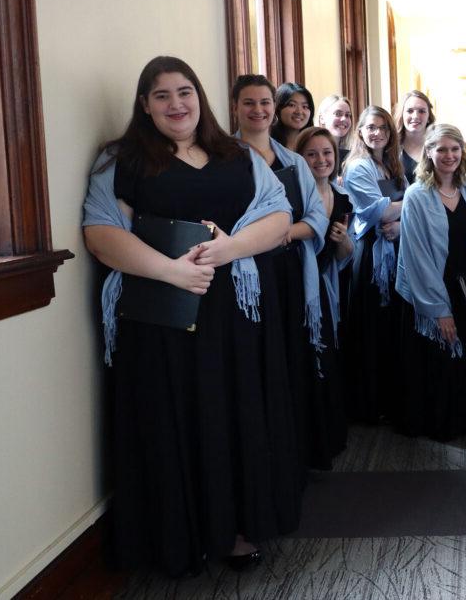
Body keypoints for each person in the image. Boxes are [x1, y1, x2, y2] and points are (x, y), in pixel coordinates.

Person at [82, 57, 301, 575]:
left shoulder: (237, 155)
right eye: (161, 96)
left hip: (233, 315)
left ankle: (237, 530)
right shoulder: (123, 160)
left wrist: (228, 251)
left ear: (200, 97)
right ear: (144, 105)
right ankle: (182, 538)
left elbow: (278, 214)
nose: (176, 104)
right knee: (172, 418)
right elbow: (101, 232)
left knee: (233, 412)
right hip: (160, 317)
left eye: (185, 92)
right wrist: (171, 272)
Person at [233, 74, 330, 470]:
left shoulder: (292, 161)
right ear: (235, 108)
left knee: (292, 357)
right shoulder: (225, 159)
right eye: (249, 103)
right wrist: (260, 241)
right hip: (247, 278)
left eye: (265, 103)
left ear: (274, 109)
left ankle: (296, 453)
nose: (258, 110)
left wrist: (281, 234)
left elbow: (317, 217)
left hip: (291, 273)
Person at [395, 123, 466, 439]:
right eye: (441, 149)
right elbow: (418, 258)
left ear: (463, 152)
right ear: (429, 152)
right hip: (429, 285)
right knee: (439, 356)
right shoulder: (416, 196)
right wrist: (439, 309)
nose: (449, 155)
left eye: (454, 149)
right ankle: (441, 423)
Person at [341, 105, 406, 423]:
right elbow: (377, 212)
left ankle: (387, 400)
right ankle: (367, 405)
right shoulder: (358, 167)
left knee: (390, 328)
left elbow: (396, 214)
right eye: (370, 128)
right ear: (360, 132)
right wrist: (412, 202)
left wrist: (400, 217)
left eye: (382, 128)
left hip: (394, 251)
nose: (377, 133)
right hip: (368, 256)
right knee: (370, 329)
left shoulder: (391, 164)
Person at [297, 126, 355, 464]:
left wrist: (343, 241)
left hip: (325, 283)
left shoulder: (341, 197)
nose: (321, 160)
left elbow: (344, 253)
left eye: (327, 153)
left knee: (329, 355)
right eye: (312, 154)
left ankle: (330, 436)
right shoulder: (294, 196)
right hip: (300, 286)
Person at [395, 89, 435, 184]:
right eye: (410, 111)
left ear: (429, 116)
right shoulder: (390, 148)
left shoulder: (438, 145)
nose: (415, 116)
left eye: (421, 111)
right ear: (402, 115)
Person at [272, 82, 315, 151]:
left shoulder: (315, 142)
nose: (299, 112)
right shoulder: (268, 144)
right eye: (292, 105)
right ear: (278, 108)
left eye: (305, 106)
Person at [316, 94, 354, 168]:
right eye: (338, 114)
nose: (344, 119)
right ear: (322, 118)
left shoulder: (352, 155)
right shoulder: (312, 151)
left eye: (347, 115)